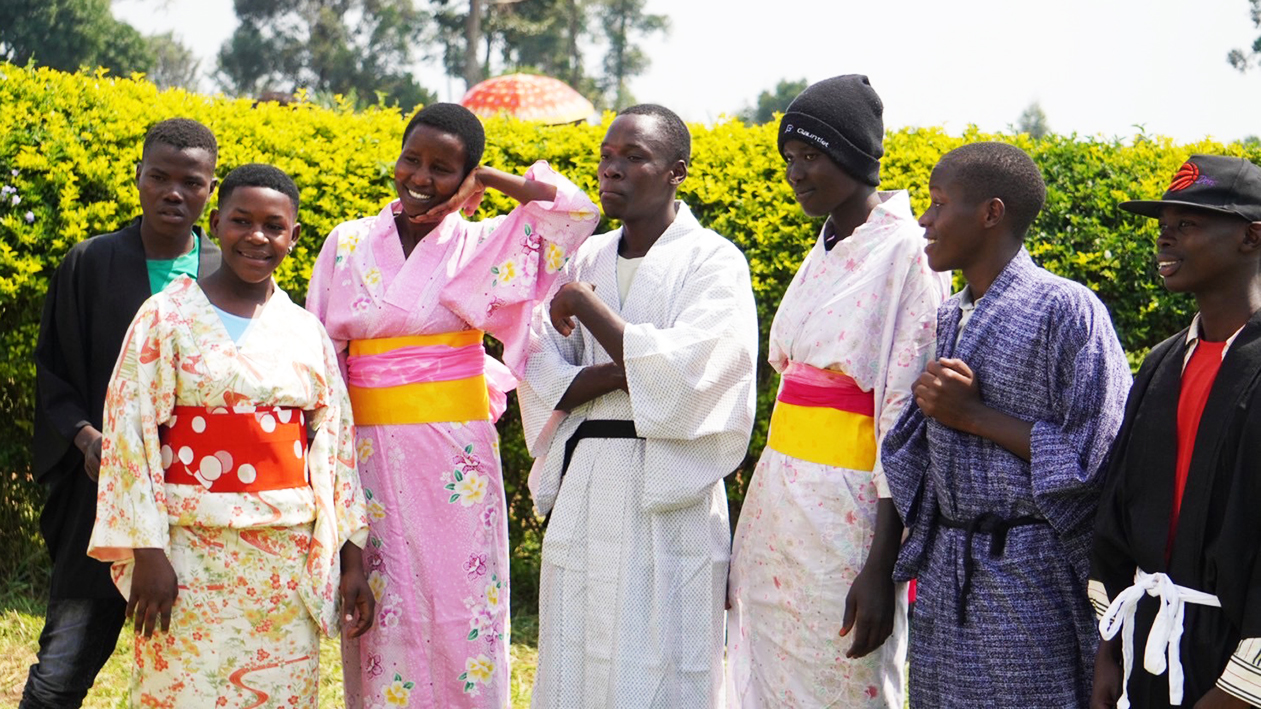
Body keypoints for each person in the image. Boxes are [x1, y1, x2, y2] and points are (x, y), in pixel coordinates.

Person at [306, 102, 599, 708]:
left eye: (443, 168)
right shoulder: (347, 242)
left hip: (455, 457)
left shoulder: (484, 240)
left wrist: (488, 180)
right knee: (381, 605)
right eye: (411, 159)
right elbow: (322, 358)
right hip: (366, 449)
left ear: (467, 176)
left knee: (463, 604)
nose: (420, 177)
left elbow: (575, 212)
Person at [86, 163, 373, 705]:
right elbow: (129, 434)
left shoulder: (304, 329)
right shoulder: (165, 317)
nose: (257, 237)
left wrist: (352, 560)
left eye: (274, 226)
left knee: (279, 690)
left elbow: (336, 446)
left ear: (294, 236)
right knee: (183, 687)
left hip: (285, 553)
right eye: (242, 221)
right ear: (216, 223)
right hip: (187, 548)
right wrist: (147, 551)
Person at [521, 104, 760, 708]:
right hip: (587, 475)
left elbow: (695, 374)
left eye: (634, 157)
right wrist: (624, 371)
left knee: (664, 656)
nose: (612, 170)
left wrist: (586, 308)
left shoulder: (714, 261)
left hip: (669, 487)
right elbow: (542, 372)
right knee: (575, 651)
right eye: (606, 157)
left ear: (677, 170)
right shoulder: (586, 258)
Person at [882, 142, 1132, 707]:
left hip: (1030, 579)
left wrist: (974, 416)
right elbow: (915, 454)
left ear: (991, 213)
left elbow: (1099, 461)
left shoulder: (1067, 308)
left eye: (939, 203)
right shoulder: (950, 313)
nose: (924, 220)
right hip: (947, 577)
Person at [725, 75, 947, 708]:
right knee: (769, 672)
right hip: (778, 499)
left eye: (810, 156)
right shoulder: (826, 244)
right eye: (788, 158)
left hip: (848, 512)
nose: (795, 173)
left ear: (852, 156)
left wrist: (881, 565)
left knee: (843, 680)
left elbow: (903, 417)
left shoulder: (906, 251)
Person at [22, 118, 222, 709]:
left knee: (199, 671)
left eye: (192, 182)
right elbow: (54, 371)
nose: (174, 193)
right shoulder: (90, 262)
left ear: (211, 189)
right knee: (62, 670)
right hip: (101, 493)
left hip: (197, 502)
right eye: (159, 177)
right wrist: (87, 440)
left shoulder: (224, 271)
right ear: (138, 177)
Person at [1091, 155, 1261, 709]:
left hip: (1235, 668)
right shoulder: (1163, 363)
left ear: (1252, 236)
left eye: (1186, 224)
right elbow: (1117, 513)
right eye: (1163, 226)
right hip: (1149, 650)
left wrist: (1241, 689)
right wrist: (1109, 652)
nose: (1165, 239)